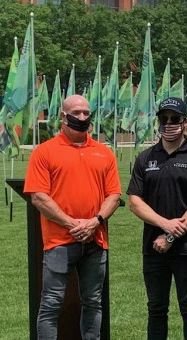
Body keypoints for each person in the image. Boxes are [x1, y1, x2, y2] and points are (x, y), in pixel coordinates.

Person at [24, 94, 122, 340]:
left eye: (86, 113)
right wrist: (71, 224)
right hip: (59, 241)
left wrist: (94, 222)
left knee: (93, 301)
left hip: (96, 241)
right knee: (51, 303)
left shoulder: (104, 153)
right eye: (76, 113)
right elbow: (38, 197)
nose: (82, 117)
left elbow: (114, 196)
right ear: (62, 116)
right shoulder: (44, 152)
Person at [127, 97, 187, 340]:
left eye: (174, 119)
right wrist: (164, 225)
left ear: (185, 122)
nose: (168, 124)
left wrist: (169, 236)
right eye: (163, 119)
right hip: (153, 248)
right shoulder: (145, 158)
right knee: (156, 309)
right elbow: (135, 202)